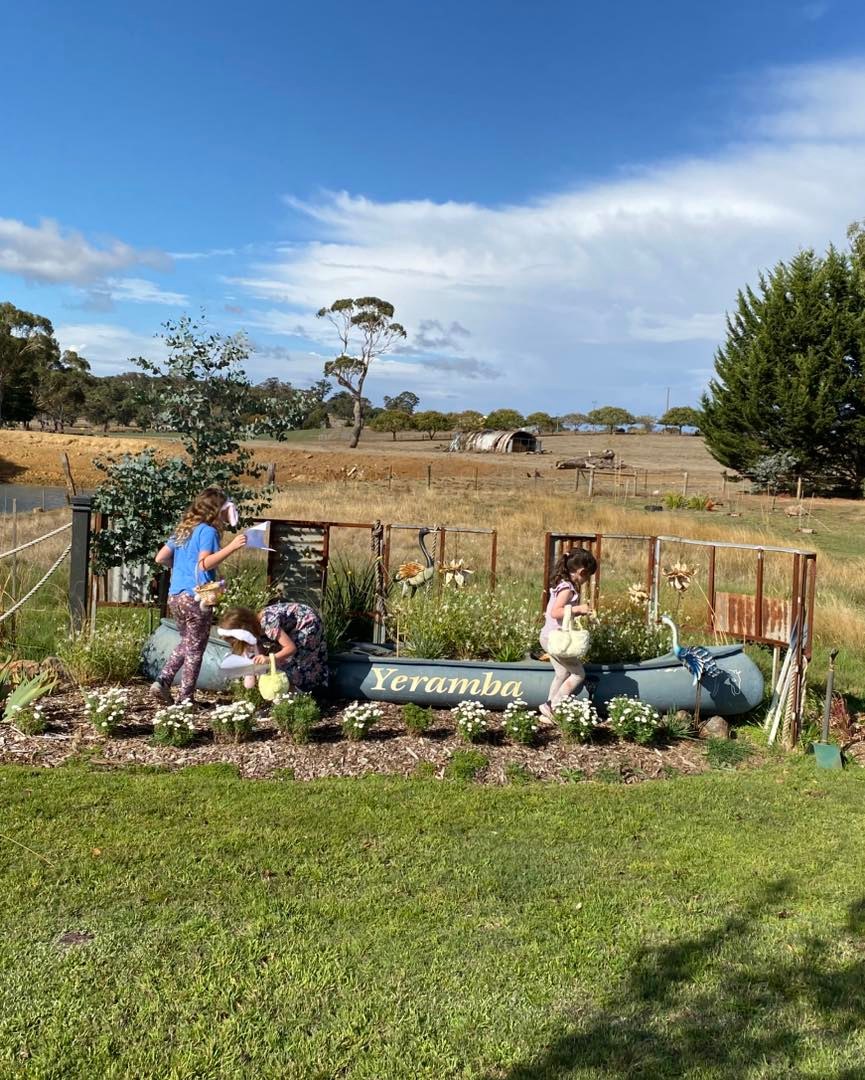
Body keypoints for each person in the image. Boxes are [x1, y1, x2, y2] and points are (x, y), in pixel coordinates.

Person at [150, 488, 247, 704]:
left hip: (175, 596)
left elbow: (160, 558)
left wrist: (181, 569)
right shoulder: (208, 532)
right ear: (215, 510)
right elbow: (204, 563)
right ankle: (184, 699)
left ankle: (163, 681)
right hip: (197, 597)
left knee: (188, 642)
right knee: (195, 649)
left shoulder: (184, 530)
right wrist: (232, 547)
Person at [539, 547, 598, 719]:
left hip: (548, 637)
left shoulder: (562, 584)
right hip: (556, 639)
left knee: (562, 673)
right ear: (582, 572)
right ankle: (552, 705)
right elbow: (556, 612)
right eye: (587, 576)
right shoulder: (568, 588)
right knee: (579, 674)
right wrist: (578, 609)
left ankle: (547, 714)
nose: (586, 580)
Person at [218, 602, 328, 693]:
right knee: (281, 660)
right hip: (295, 624)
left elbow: (290, 648)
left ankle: (304, 692)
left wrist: (270, 659)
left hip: (307, 623)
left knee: (298, 661)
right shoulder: (257, 629)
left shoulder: (267, 623)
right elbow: (260, 651)